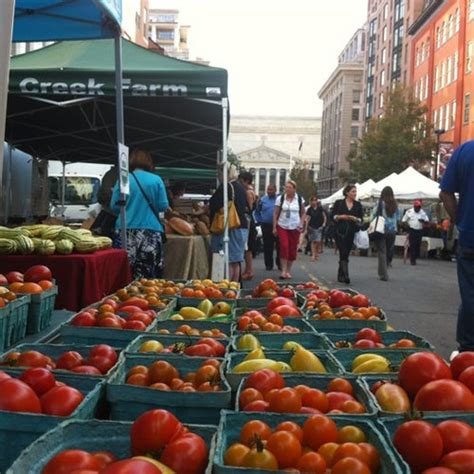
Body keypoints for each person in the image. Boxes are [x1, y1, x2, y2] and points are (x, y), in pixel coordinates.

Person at [110, 149, 169, 279]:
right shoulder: (156, 180)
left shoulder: (123, 179)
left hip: (125, 230)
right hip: (150, 231)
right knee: (148, 273)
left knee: (124, 271)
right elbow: (162, 206)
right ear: (149, 162)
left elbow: (114, 206)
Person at [440, 140, 474, 352]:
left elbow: (445, 192)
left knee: (470, 295)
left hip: (470, 235)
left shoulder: (464, 151)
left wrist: (459, 220)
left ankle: (468, 352)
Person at [209, 165, 248, 282]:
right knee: (235, 261)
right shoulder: (240, 188)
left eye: (219, 174)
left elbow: (216, 205)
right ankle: (234, 286)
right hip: (240, 226)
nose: (218, 177)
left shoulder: (226, 188)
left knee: (227, 260)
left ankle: (227, 285)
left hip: (230, 227)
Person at [273, 180, 305, 279]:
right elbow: (276, 214)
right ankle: (283, 270)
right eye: (286, 187)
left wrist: (301, 223)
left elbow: (303, 213)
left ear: (294, 189)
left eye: (289, 187)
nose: (287, 189)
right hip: (282, 225)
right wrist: (274, 227)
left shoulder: (299, 199)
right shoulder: (280, 198)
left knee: (292, 249)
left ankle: (288, 271)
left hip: (295, 226)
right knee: (284, 246)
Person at [332, 184, 363, 284]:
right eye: (353, 191)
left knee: (346, 253)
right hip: (340, 232)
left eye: (355, 191)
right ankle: (346, 275)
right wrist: (340, 217)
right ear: (347, 192)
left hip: (351, 232)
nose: (355, 193)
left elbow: (361, 220)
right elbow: (332, 216)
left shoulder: (358, 205)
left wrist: (354, 218)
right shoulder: (339, 203)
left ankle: (340, 274)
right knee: (342, 251)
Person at [371, 186, 400, 281]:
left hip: (381, 229)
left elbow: (373, 215)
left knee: (382, 252)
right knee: (389, 249)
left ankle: (383, 275)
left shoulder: (380, 203)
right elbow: (398, 218)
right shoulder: (395, 204)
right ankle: (387, 264)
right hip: (392, 231)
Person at [254, 183, 280, 270]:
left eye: (271, 190)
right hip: (266, 225)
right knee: (267, 245)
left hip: (278, 225)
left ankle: (279, 263)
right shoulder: (262, 200)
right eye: (268, 190)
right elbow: (257, 211)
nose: (269, 191)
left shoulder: (279, 200)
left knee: (279, 245)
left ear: (275, 190)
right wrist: (260, 220)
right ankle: (268, 264)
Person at [240, 172, 258, 280]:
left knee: (248, 248)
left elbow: (250, 209)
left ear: (246, 181)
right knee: (247, 247)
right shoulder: (252, 192)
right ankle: (248, 270)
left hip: (248, 221)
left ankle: (249, 270)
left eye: (242, 181)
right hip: (250, 221)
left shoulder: (248, 192)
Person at [402, 200, 429, 265]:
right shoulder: (409, 212)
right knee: (412, 245)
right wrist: (407, 227)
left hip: (419, 230)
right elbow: (403, 221)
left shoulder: (422, 212)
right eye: (417, 207)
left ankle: (415, 257)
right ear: (414, 206)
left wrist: (423, 221)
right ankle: (412, 260)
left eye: (419, 207)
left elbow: (427, 221)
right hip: (412, 230)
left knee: (417, 245)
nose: (418, 208)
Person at [305, 196, 327, 261]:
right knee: (312, 241)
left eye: (315, 200)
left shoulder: (320, 208)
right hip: (311, 226)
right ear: (311, 202)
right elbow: (307, 218)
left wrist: (324, 223)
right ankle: (313, 254)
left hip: (319, 226)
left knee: (318, 241)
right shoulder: (309, 209)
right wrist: (306, 227)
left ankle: (316, 252)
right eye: (313, 200)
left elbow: (324, 216)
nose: (314, 202)